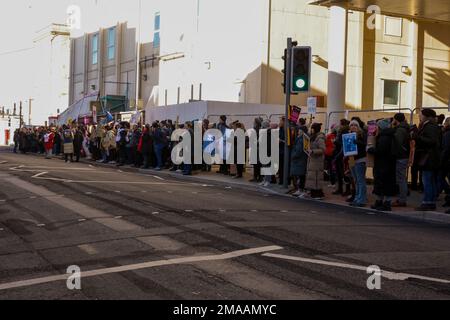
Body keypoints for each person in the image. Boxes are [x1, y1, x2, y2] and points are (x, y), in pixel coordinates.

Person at [413, 108, 442, 211]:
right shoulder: (431, 125)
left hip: (429, 157)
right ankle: (430, 202)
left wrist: (417, 137)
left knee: (427, 180)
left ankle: (428, 202)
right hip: (430, 157)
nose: (419, 116)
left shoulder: (430, 126)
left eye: (421, 115)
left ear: (426, 116)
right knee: (430, 180)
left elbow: (431, 141)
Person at [368, 119, 397, 211]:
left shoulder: (385, 137)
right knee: (382, 183)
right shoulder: (387, 136)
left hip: (384, 164)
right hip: (386, 164)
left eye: (377, 126)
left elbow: (381, 151)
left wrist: (371, 150)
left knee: (383, 183)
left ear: (380, 127)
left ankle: (385, 203)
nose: (375, 128)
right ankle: (380, 201)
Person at [391, 113, 411, 207]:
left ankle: (402, 200)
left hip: (401, 157)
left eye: (394, 119)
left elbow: (398, 143)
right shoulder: (404, 128)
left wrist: (395, 153)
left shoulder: (400, 130)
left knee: (401, 179)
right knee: (401, 178)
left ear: (396, 120)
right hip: (403, 156)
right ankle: (402, 198)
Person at [347, 120, 368, 207]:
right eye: (351, 125)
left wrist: (356, 142)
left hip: (360, 159)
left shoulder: (362, 134)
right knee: (356, 180)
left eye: (355, 125)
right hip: (352, 159)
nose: (353, 126)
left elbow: (365, 144)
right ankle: (357, 198)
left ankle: (362, 199)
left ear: (358, 126)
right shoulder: (348, 135)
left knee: (360, 180)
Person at [305, 123, 326, 200]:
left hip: (317, 161)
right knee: (313, 177)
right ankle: (314, 192)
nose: (311, 129)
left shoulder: (320, 138)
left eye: (312, 128)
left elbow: (323, 149)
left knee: (316, 177)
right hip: (313, 160)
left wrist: (313, 151)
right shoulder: (313, 137)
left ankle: (318, 194)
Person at [290, 125, 309, 196]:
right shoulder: (304, 138)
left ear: (302, 131)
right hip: (302, 159)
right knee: (301, 175)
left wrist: (292, 156)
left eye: (299, 130)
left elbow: (298, 151)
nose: (298, 131)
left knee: (300, 176)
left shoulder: (301, 139)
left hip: (299, 160)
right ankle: (300, 189)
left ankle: (300, 189)